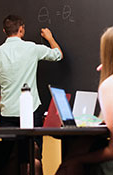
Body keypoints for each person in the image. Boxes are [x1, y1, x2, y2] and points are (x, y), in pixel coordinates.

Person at [0, 14, 63, 175]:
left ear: (4, 31)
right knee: (33, 157)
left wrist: (3, 104)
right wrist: (50, 38)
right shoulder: (32, 48)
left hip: (7, 115)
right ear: (21, 29)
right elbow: (58, 55)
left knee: (10, 159)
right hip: (31, 111)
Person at [55, 26, 113, 175]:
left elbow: (112, 151)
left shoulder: (109, 85)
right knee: (82, 145)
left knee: (71, 164)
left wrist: (77, 160)